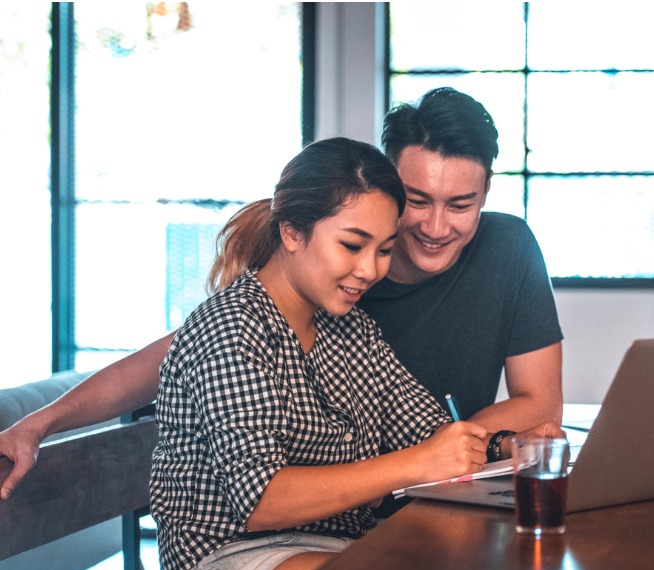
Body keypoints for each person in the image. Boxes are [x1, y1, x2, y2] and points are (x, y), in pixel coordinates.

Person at [0, 87, 563, 502]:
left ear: (486, 193)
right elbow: (183, 352)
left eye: (460, 205)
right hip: (337, 501)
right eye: (417, 200)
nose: (436, 227)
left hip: (416, 488)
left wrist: (463, 454)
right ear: (389, 186)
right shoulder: (321, 275)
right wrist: (40, 421)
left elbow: (538, 401)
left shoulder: (501, 249)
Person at [151, 137, 489, 570]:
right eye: (353, 245)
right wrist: (412, 464)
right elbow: (260, 500)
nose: (370, 270)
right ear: (291, 232)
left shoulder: (353, 330)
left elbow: (428, 432)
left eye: (385, 250)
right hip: (230, 560)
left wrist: (509, 446)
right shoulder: (232, 328)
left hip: (335, 545)